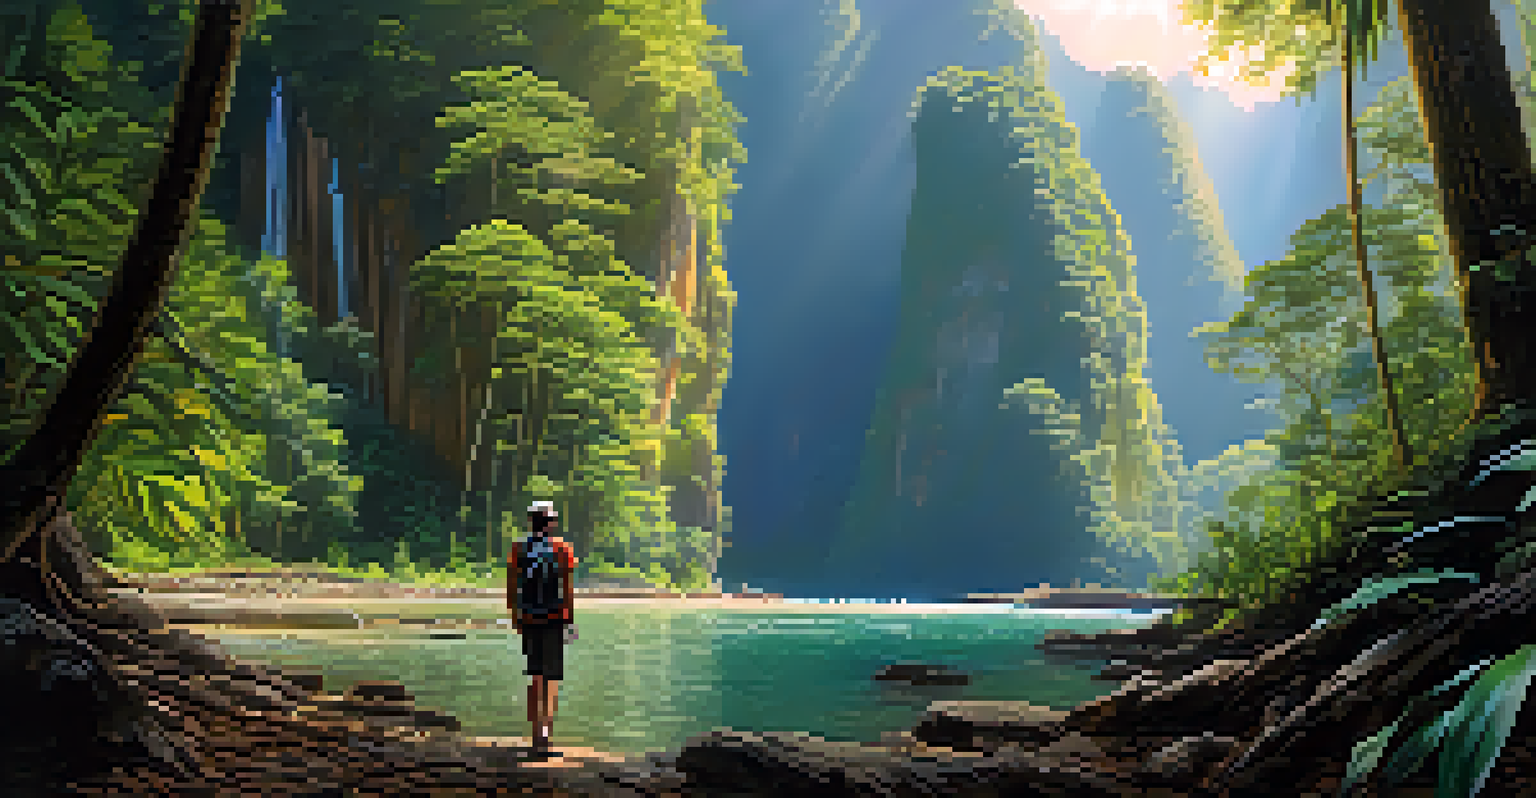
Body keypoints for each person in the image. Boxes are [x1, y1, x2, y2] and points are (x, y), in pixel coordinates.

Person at [508, 500, 578, 753]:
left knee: (535, 674)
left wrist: (516, 617)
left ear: (531, 522)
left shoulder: (518, 548)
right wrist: (569, 620)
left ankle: (535, 732)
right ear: (551, 523)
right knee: (552, 676)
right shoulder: (562, 549)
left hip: (529, 618)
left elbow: (512, 586)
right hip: (554, 618)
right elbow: (567, 589)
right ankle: (546, 732)